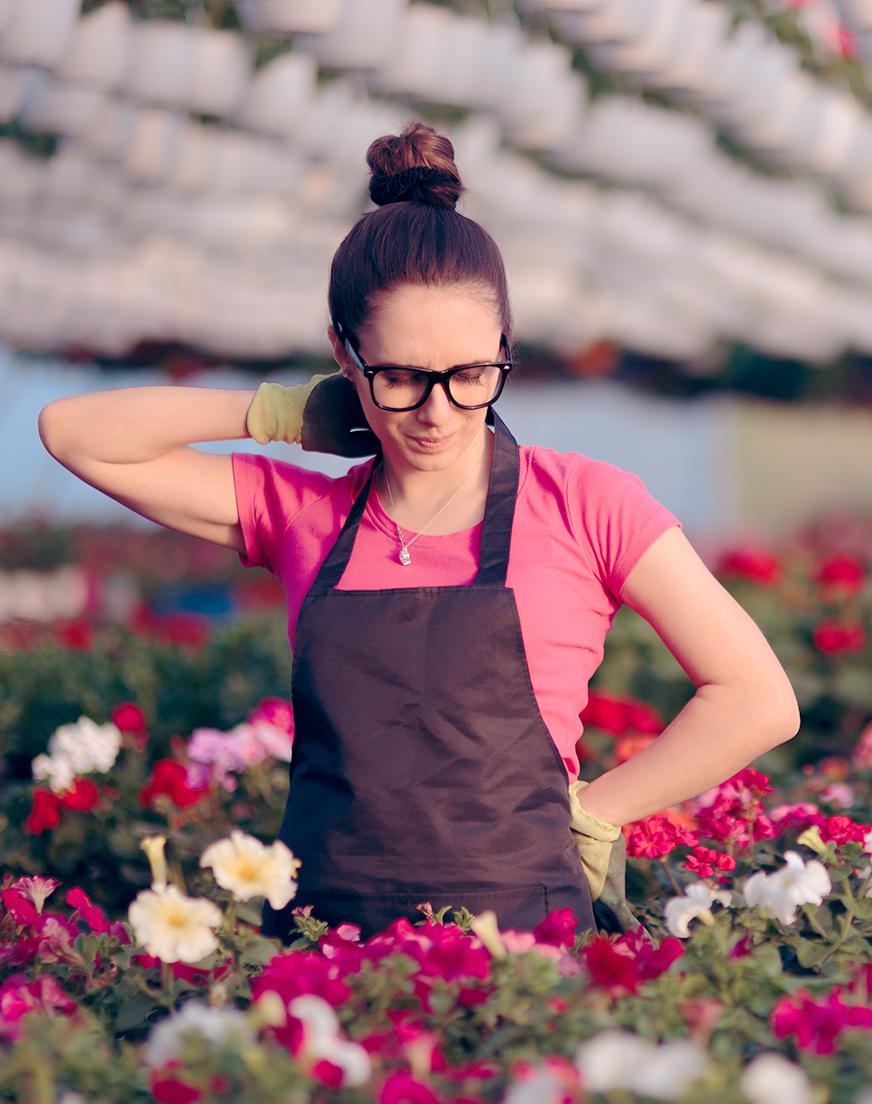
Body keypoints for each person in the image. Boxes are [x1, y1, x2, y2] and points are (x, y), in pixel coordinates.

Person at [38, 121, 801, 946]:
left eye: (472, 375)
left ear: (504, 350)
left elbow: (757, 699)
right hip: (324, 942)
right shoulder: (305, 513)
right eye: (400, 377)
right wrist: (278, 413)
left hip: (524, 947)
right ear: (344, 354)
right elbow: (73, 431)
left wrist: (591, 812)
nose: (438, 414)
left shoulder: (584, 500)